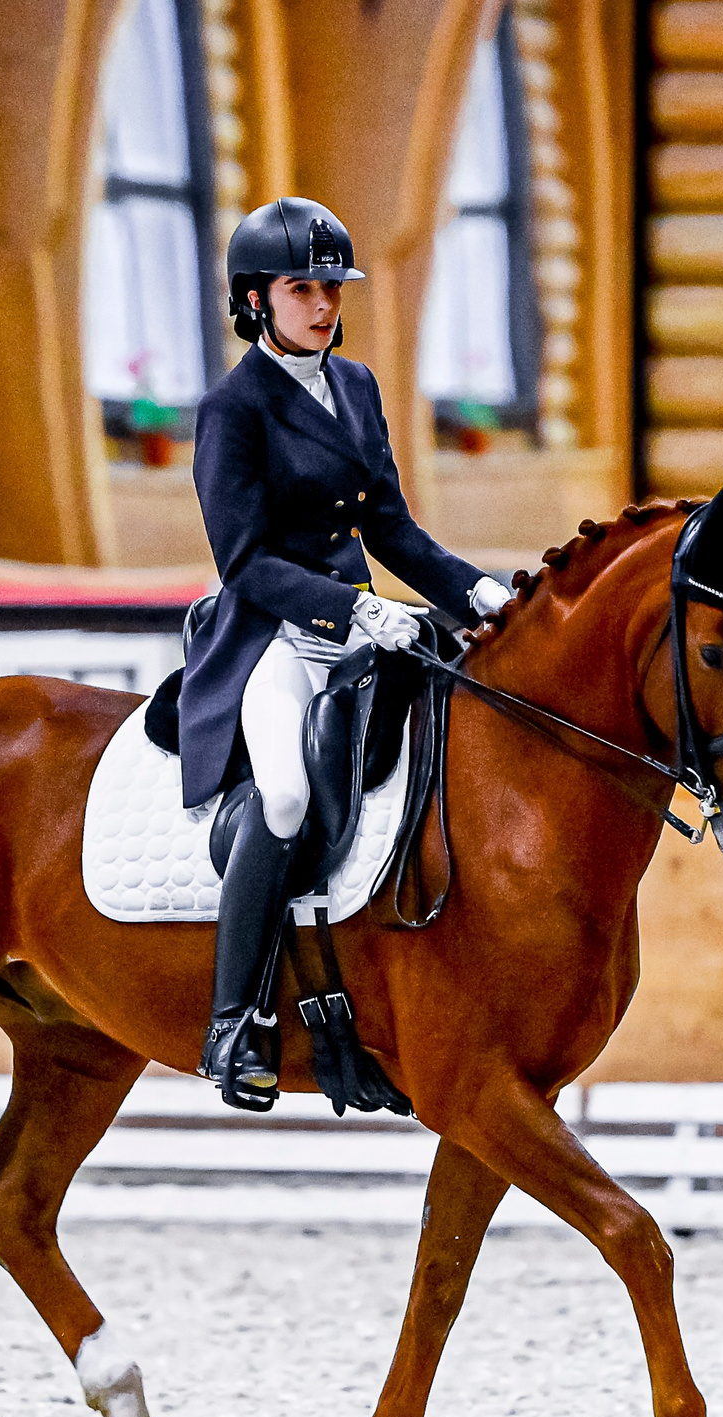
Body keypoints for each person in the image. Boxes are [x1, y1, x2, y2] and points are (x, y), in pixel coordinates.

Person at [178, 197, 513, 1108]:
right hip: (270, 639)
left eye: (331, 286)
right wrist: (355, 612)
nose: (324, 304)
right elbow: (242, 563)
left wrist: (474, 590)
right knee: (284, 794)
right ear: (256, 300)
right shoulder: (232, 409)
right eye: (302, 288)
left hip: (363, 631)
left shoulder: (357, 386)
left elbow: (391, 527)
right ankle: (232, 1021)